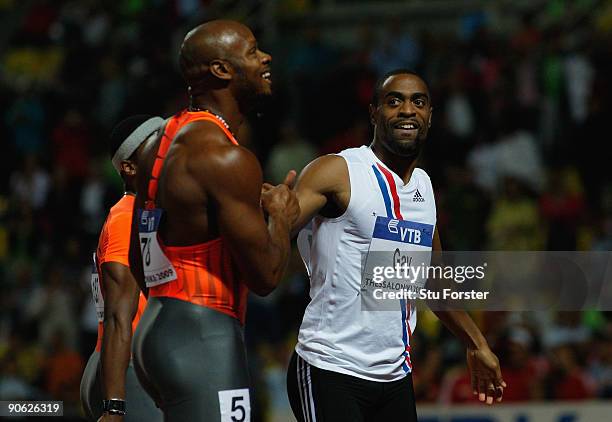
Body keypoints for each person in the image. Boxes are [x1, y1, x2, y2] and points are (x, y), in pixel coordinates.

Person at [287, 69, 506, 421]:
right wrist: (272, 215)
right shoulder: (338, 171)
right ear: (374, 113)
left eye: (418, 102)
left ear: (430, 117)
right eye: (394, 101)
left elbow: (433, 281)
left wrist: (476, 342)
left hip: (395, 377)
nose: (407, 110)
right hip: (329, 367)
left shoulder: (423, 186)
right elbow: (276, 232)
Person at [129, 20, 299, 421]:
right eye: (253, 51)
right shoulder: (226, 158)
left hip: (159, 326)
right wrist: (281, 218)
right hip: (204, 336)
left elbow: (141, 259)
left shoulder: (161, 141)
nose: (266, 57)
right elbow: (266, 277)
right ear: (222, 70)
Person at [80, 115, 164, 421]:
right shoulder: (127, 218)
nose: (165, 151)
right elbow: (118, 315)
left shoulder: (143, 214)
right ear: (129, 167)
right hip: (123, 371)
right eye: (155, 145)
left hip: (118, 364)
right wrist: (114, 404)